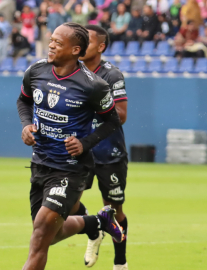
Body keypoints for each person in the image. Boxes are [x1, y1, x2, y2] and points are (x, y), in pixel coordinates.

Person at [16, 22, 125, 270]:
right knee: (49, 235)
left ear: (76, 50)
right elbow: (23, 101)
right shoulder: (36, 71)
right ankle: (96, 223)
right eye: (51, 40)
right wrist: (25, 125)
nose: (51, 45)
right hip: (40, 163)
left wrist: (85, 143)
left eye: (57, 42)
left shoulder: (93, 85)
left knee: (41, 235)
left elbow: (113, 120)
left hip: (71, 169)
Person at [80, 24, 129, 270]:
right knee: (66, 205)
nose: (79, 44)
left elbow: (120, 114)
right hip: (78, 150)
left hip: (108, 152)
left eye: (85, 40)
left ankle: (120, 262)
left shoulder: (111, 75)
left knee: (115, 209)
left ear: (101, 46)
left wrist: (87, 110)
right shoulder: (69, 71)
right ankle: (94, 228)